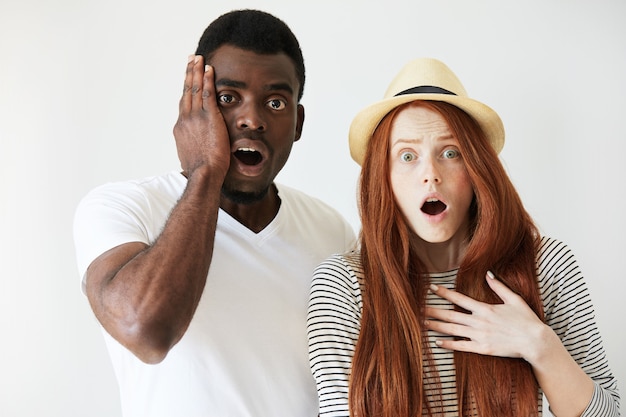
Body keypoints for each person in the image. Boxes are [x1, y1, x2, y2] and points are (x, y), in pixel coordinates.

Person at [73, 9, 355, 417]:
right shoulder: (122, 208)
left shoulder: (331, 231)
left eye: (275, 101)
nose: (251, 119)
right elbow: (146, 331)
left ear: (298, 122)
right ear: (193, 106)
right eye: (227, 98)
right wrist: (205, 172)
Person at [307, 58, 620, 416]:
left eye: (450, 153)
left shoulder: (546, 266)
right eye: (407, 156)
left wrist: (540, 346)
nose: (431, 175)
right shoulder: (344, 285)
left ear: (476, 168)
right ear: (385, 177)